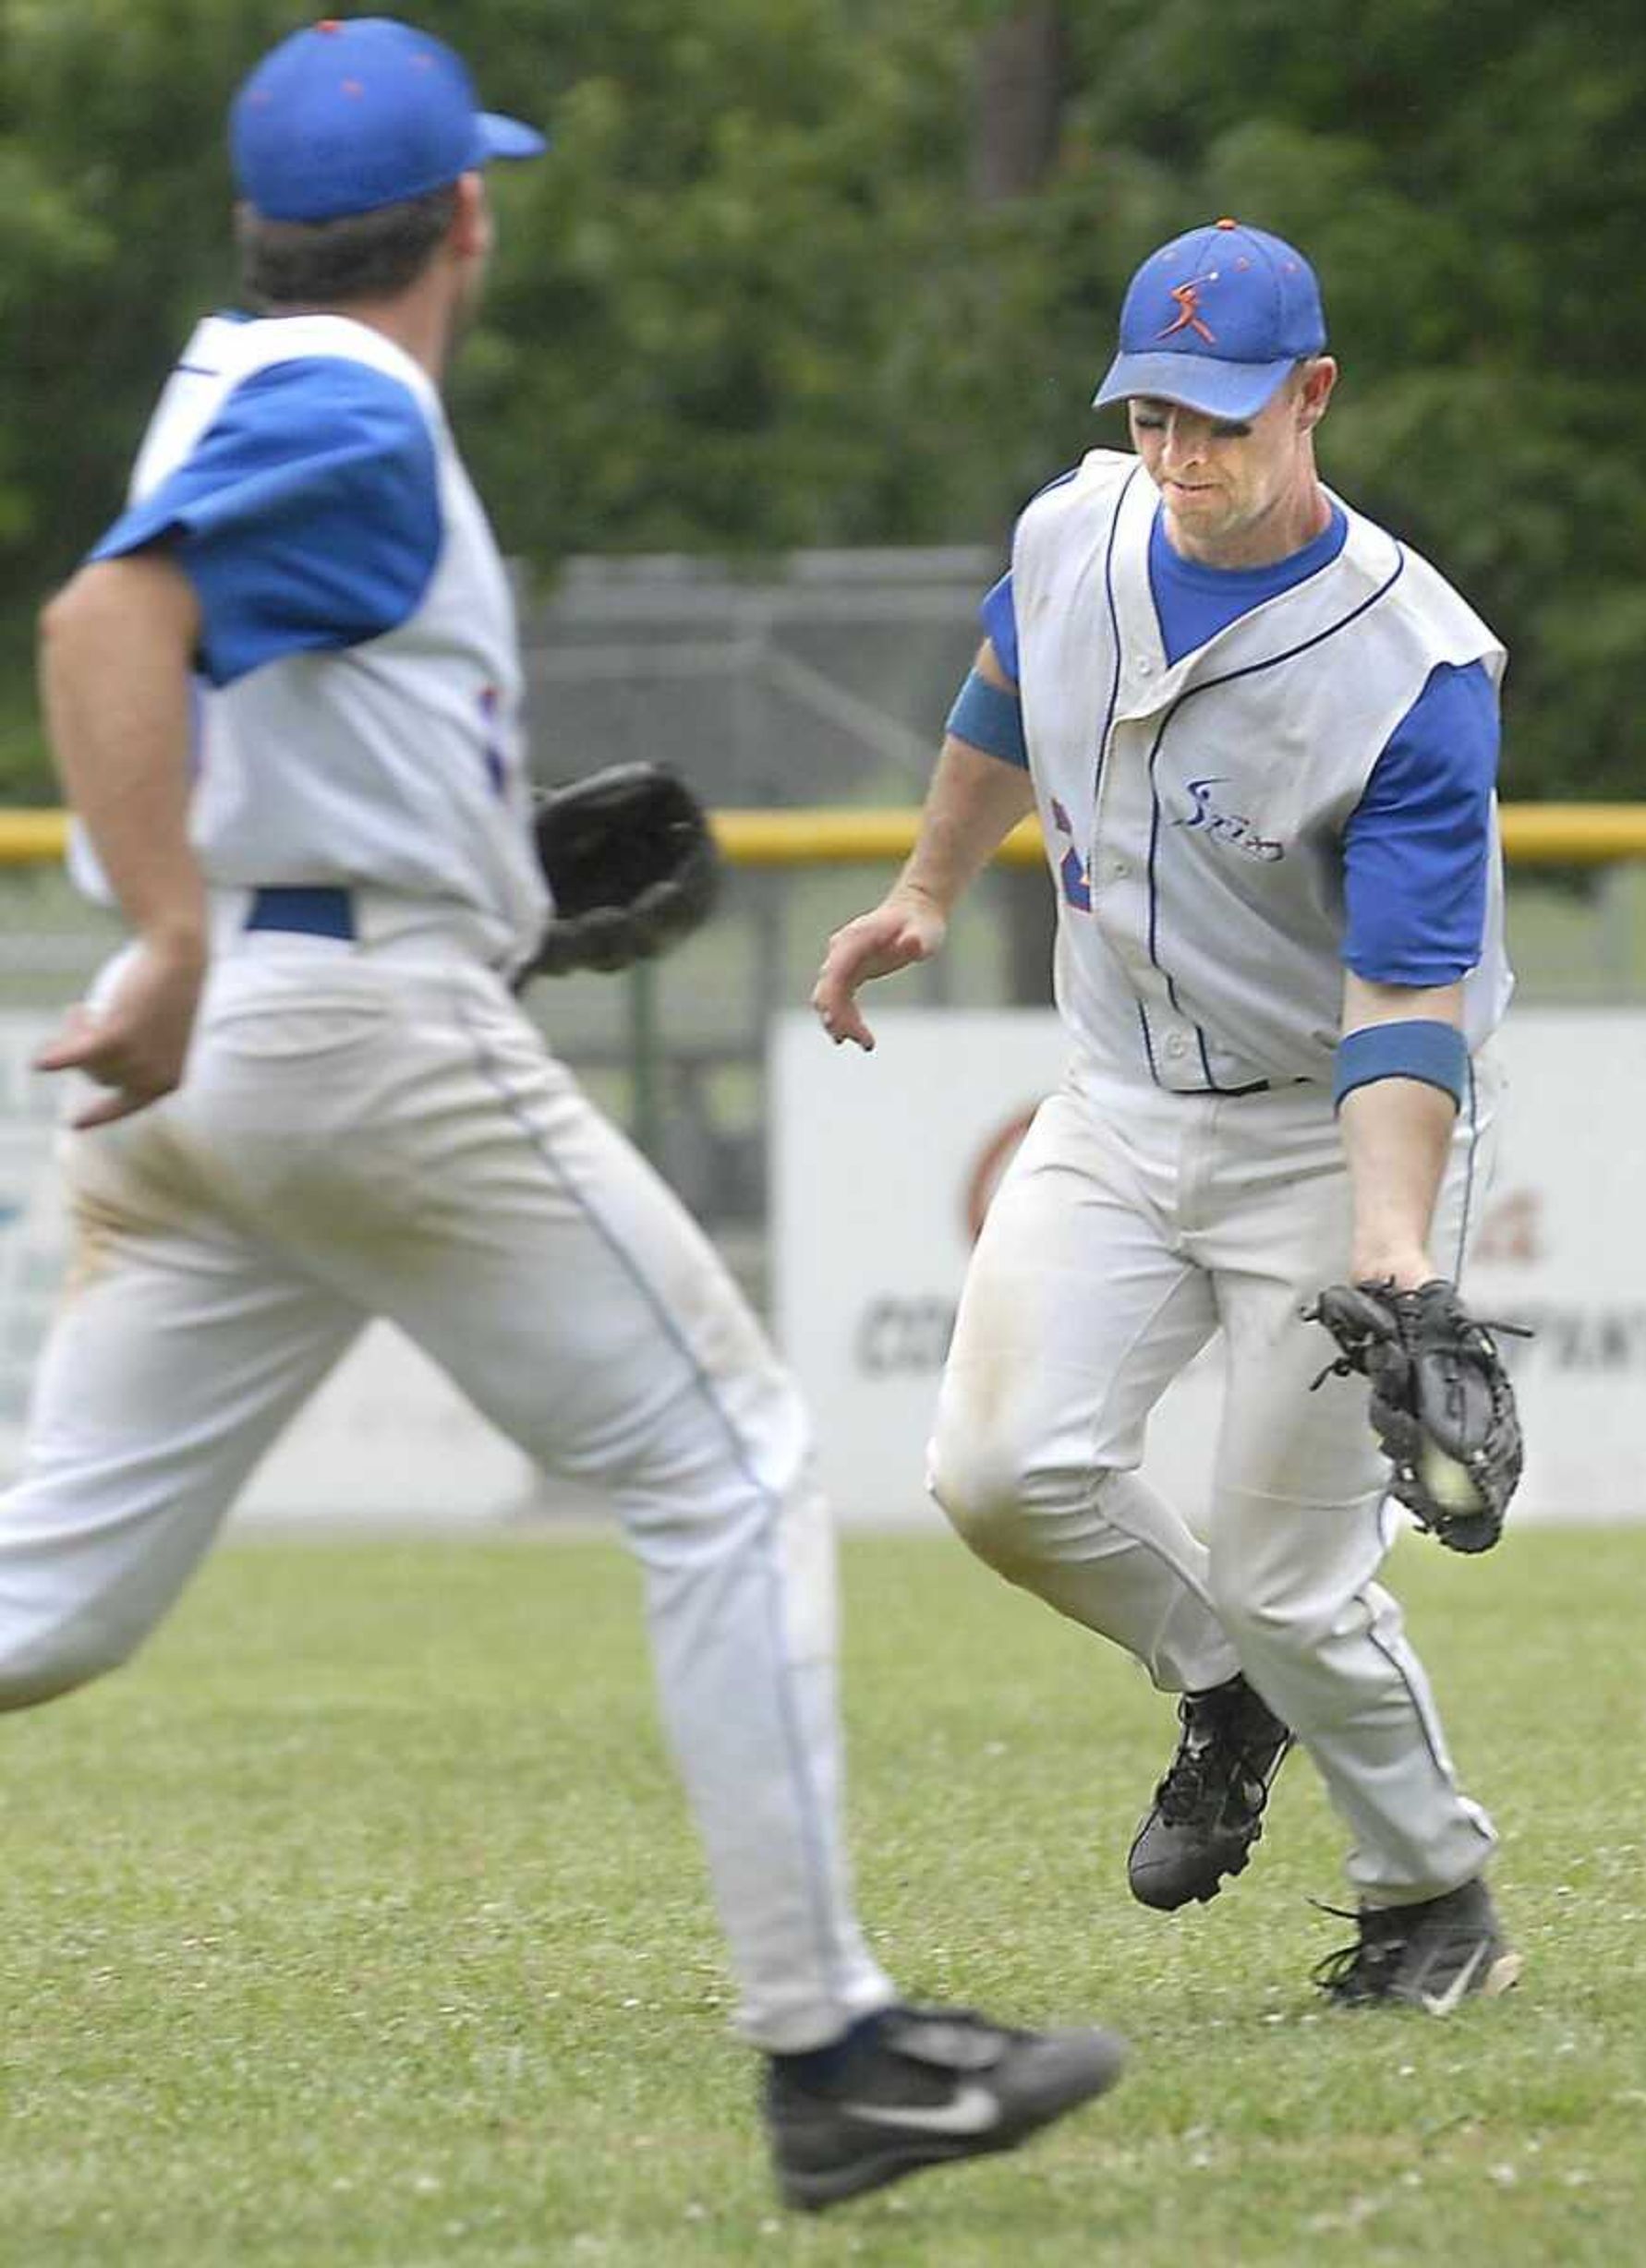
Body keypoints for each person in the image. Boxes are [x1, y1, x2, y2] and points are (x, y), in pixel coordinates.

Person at [17, 15, 1121, 2210]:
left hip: (250, 1047)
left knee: (51, 1602)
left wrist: (469, 882)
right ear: (466, 219)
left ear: (261, 226)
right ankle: (834, 2052)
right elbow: (106, 619)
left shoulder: (231, 376)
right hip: (320, 1024)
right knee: (731, 1463)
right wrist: (169, 924)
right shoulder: (353, 399)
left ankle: (842, 2047)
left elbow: (251, 696)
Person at [815, 218, 1523, 2012]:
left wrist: (1389, 1254)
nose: (1182, 457)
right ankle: (1226, 1683)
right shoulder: (1080, 530)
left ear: (1313, 395)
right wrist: (922, 888)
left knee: (1298, 1576)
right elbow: (1003, 682)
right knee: (995, 1472)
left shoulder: (1414, 672)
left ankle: (1433, 1892)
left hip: (1319, 1128)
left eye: (1219, 417)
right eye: (1153, 416)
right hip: (1120, 1099)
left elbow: (1410, 991)